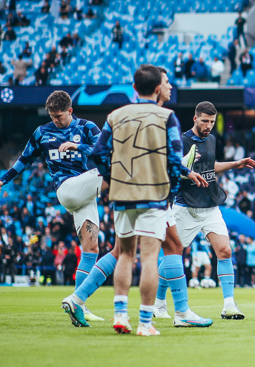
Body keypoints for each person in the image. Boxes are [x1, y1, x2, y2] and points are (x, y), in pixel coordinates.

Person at [88, 65, 208, 336]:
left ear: (134, 88)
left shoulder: (115, 115)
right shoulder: (167, 117)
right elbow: (176, 161)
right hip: (154, 195)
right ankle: (144, 322)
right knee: (150, 257)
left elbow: (97, 153)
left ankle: (120, 315)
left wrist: (112, 178)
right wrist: (171, 189)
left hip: (122, 195)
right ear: (157, 89)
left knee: (125, 255)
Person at [0, 91, 105, 322]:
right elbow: (25, 159)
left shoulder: (86, 128)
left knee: (91, 248)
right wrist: (4, 179)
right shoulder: (42, 133)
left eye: (59, 116)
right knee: (119, 171)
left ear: (70, 111)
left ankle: (78, 304)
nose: (55, 120)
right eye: (52, 116)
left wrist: (76, 147)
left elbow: (104, 150)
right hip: (67, 189)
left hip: (86, 192)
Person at [154, 101, 255, 322]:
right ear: (195, 119)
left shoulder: (211, 139)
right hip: (185, 207)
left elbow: (211, 167)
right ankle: (159, 302)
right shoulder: (181, 141)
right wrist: (187, 172)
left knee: (225, 251)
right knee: (173, 256)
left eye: (212, 121)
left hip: (210, 206)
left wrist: (236, 163)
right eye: (204, 121)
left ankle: (229, 305)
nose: (208, 125)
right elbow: (169, 167)